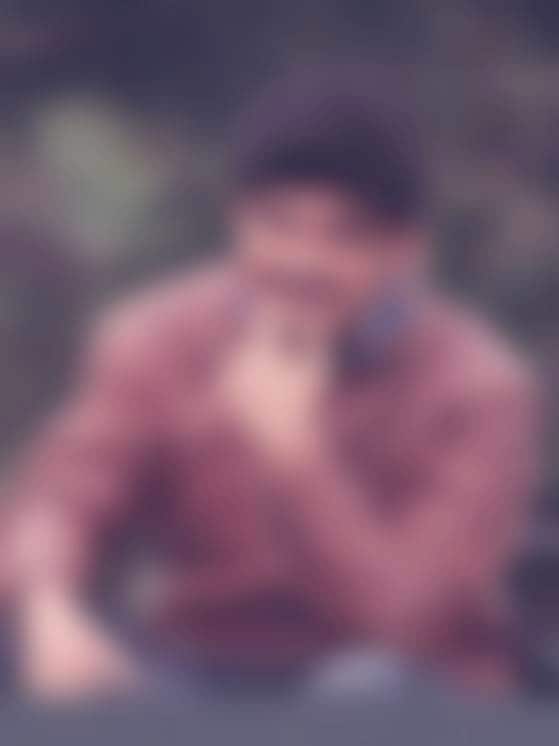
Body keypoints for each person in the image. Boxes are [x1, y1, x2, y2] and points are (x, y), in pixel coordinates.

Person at [1, 67, 542, 700]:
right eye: (278, 225)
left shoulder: (477, 387)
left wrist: (296, 455)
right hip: (201, 673)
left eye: (345, 235)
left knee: (366, 687)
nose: (303, 261)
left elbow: (411, 622)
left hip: (402, 686)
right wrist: (48, 603)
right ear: (237, 221)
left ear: (405, 250)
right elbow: (64, 497)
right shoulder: (159, 338)